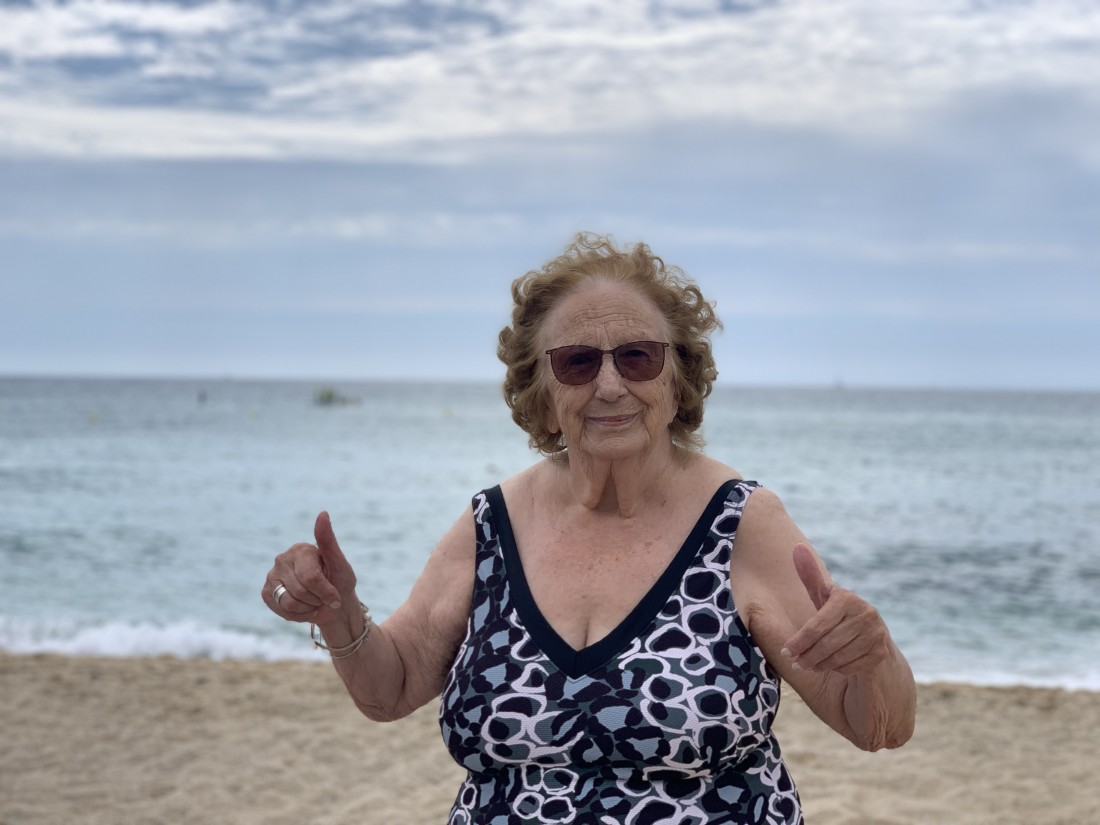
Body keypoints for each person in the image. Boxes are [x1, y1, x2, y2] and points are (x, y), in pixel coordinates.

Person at [262, 233, 916, 824]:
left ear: (678, 379)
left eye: (637, 357)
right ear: (541, 391)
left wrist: (874, 656)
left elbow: (878, 726)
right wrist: (339, 614)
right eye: (577, 362)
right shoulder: (492, 524)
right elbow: (392, 687)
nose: (609, 385)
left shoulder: (741, 523)